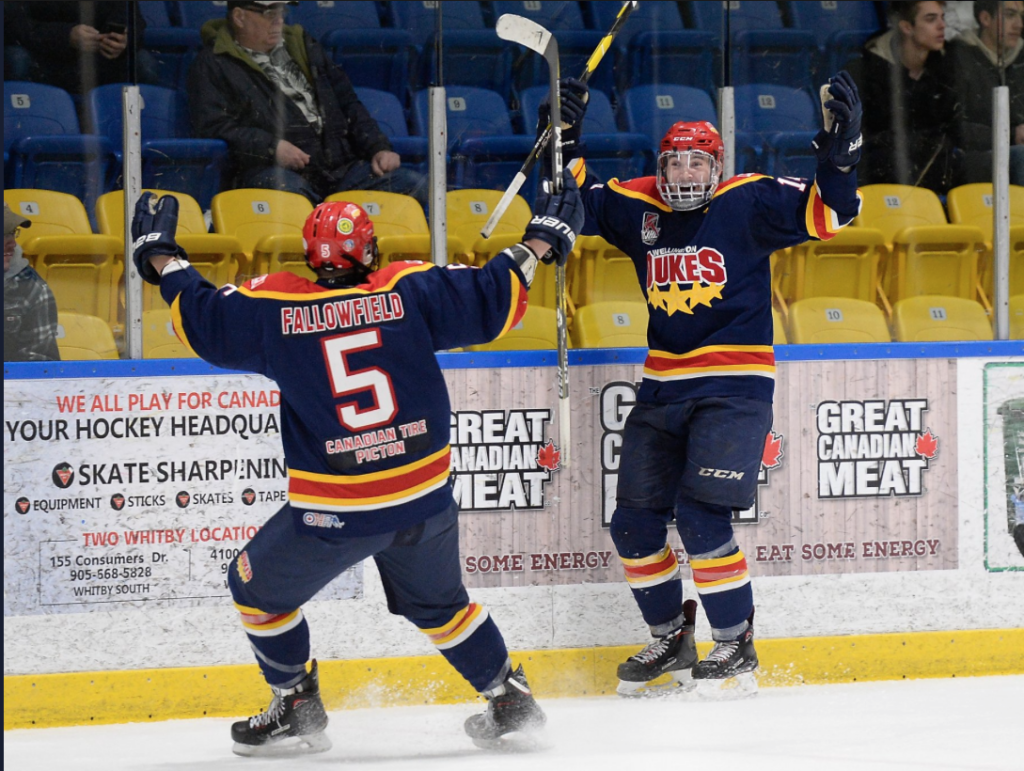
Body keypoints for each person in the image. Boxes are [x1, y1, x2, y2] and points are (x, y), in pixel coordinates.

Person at [129, 171, 584, 754]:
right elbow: (497, 292)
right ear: (369, 250)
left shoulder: (276, 308)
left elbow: (203, 315)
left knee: (255, 592)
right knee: (441, 605)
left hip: (338, 512)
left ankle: (294, 701)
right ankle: (506, 695)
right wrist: (542, 237)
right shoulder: (411, 290)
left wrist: (163, 258)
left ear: (309, 256)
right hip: (424, 501)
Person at [550, 72, 862, 695]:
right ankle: (669, 635)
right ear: (660, 166)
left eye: (698, 161)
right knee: (633, 525)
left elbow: (836, 212)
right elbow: (568, 202)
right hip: (661, 387)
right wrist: (562, 136)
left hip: (735, 387)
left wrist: (843, 153)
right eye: (675, 161)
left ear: (717, 165)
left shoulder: (751, 198)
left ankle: (734, 642)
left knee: (700, 516)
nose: (686, 172)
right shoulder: (638, 203)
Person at [187, 0, 428, 211]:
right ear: (239, 17)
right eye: (269, 12)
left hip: (340, 169)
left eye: (281, 11)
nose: (278, 20)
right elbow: (215, 126)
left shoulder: (305, 46)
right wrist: (272, 148)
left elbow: (348, 103)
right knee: (291, 195)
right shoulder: (212, 64)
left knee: (417, 185)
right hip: (274, 172)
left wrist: (378, 147)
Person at [851, 1, 963, 194]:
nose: (941, 25)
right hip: (883, 168)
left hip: (928, 163)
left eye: (942, 18)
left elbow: (955, 126)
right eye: (930, 19)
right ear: (906, 27)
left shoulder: (945, 69)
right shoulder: (865, 70)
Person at [3, 2, 150, 96]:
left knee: (143, 63)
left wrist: (123, 40)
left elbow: (132, 18)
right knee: (17, 58)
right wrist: (66, 36)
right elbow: (14, 25)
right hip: (44, 59)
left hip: (98, 59)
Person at [950, 0, 1024, 184]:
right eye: (1009, 15)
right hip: (975, 156)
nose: (1019, 24)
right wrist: (1012, 134)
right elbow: (955, 127)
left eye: (1021, 16)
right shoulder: (958, 57)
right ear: (985, 18)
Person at [4, 204, 60, 363]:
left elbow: (40, 367)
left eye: (12, 233)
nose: (11, 243)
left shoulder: (30, 286)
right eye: (2, 234)